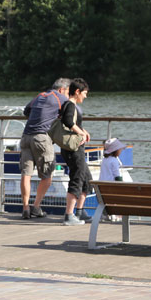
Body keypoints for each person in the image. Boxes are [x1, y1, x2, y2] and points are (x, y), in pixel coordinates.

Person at [18, 78, 70, 219]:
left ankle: (25, 208)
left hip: (26, 137)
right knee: (48, 175)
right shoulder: (60, 98)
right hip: (41, 138)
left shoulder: (40, 96)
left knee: (26, 174)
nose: (68, 95)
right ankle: (36, 207)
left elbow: (26, 111)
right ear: (61, 90)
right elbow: (70, 115)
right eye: (68, 92)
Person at [59, 78, 91, 226]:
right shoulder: (70, 104)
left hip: (75, 149)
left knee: (86, 179)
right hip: (74, 149)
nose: (85, 96)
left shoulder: (69, 105)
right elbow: (68, 122)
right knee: (77, 178)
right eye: (84, 93)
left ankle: (79, 211)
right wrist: (82, 134)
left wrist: (83, 130)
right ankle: (69, 215)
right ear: (77, 92)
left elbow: (73, 122)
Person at [100, 137, 127, 222]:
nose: (121, 151)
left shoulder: (104, 160)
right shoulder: (114, 161)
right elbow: (117, 176)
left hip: (102, 186)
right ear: (115, 150)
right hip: (111, 187)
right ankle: (117, 215)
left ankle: (106, 215)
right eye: (119, 149)